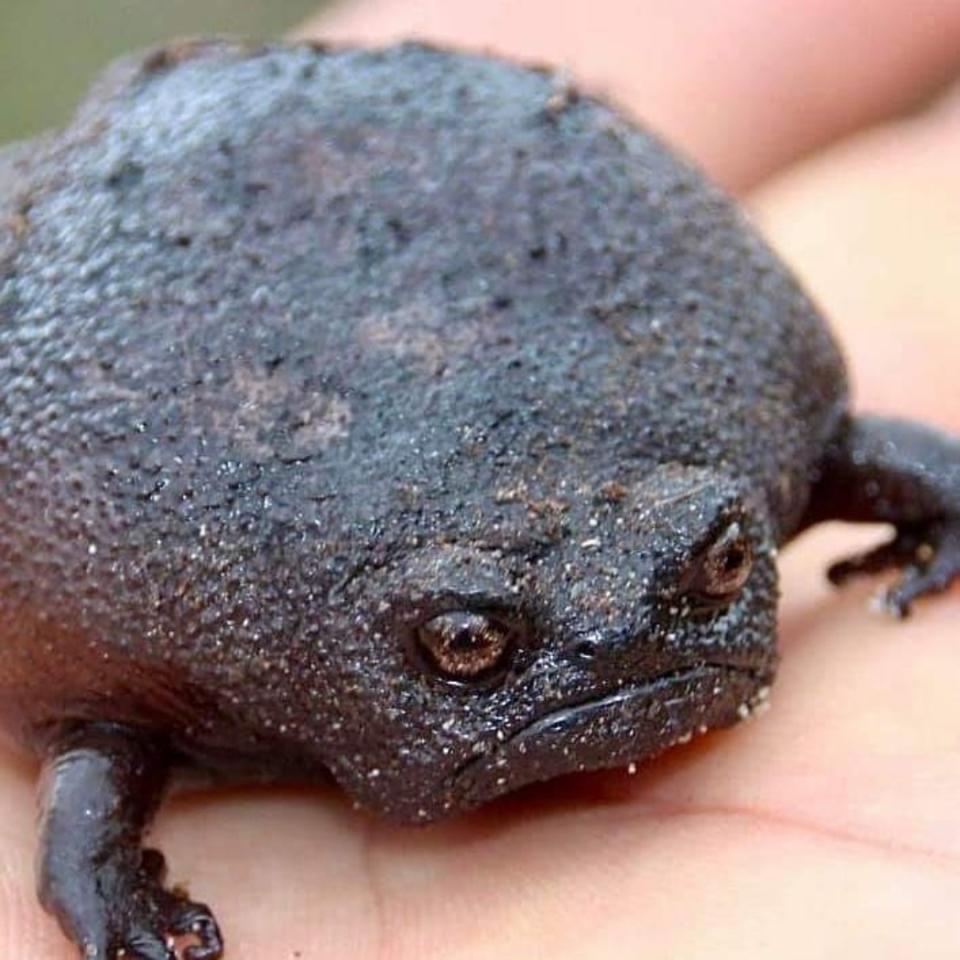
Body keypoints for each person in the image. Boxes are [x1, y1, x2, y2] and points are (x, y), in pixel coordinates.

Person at [9, 1, 960, 955]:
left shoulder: (746, 414)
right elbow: (92, 777)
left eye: (710, 575)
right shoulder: (153, 616)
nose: (613, 638)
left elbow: (865, 455)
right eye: (472, 643)